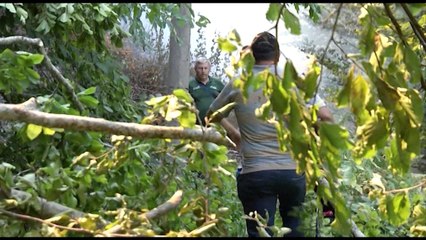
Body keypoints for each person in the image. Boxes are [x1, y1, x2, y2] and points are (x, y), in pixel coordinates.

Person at [205, 31, 333, 237]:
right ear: (278, 55)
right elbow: (326, 118)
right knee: (295, 229)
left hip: (256, 172)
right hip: (293, 172)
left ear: (252, 55)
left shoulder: (239, 82)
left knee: (261, 231)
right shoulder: (292, 81)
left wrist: (235, 135)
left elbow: (211, 115)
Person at [188, 56, 241, 151]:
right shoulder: (191, 85)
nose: (203, 71)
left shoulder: (217, 84)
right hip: (198, 125)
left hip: (216, 124)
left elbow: (228, 97)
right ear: (195, 69)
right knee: (198, 150)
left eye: (205, 68)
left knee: (216, 150)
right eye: (200, 68)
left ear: (209, 69)